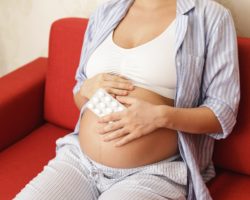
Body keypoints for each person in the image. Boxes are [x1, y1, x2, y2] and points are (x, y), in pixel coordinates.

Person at [14, 0, 240, 199]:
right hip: (79, 160)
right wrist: (85, 89)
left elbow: (223, 114)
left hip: (153, 172)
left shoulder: (210, 17)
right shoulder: (105, 11)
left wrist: (160, 116)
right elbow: (80, 93)